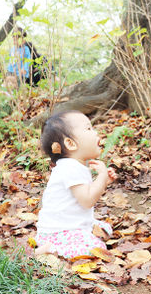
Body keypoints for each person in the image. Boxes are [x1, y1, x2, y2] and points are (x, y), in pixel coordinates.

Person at [35, 110, 117, 259]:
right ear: (70, 144)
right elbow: (87, 200)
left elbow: (85, 194)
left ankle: (67, 243)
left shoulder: (72, 166)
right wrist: (102, 176)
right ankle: (50, 249)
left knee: (105, 230)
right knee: (97, 249)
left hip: (70, 226)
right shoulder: (70, 168)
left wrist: (103, 182)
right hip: (58, 232)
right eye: (88, 128)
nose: (95, 132)